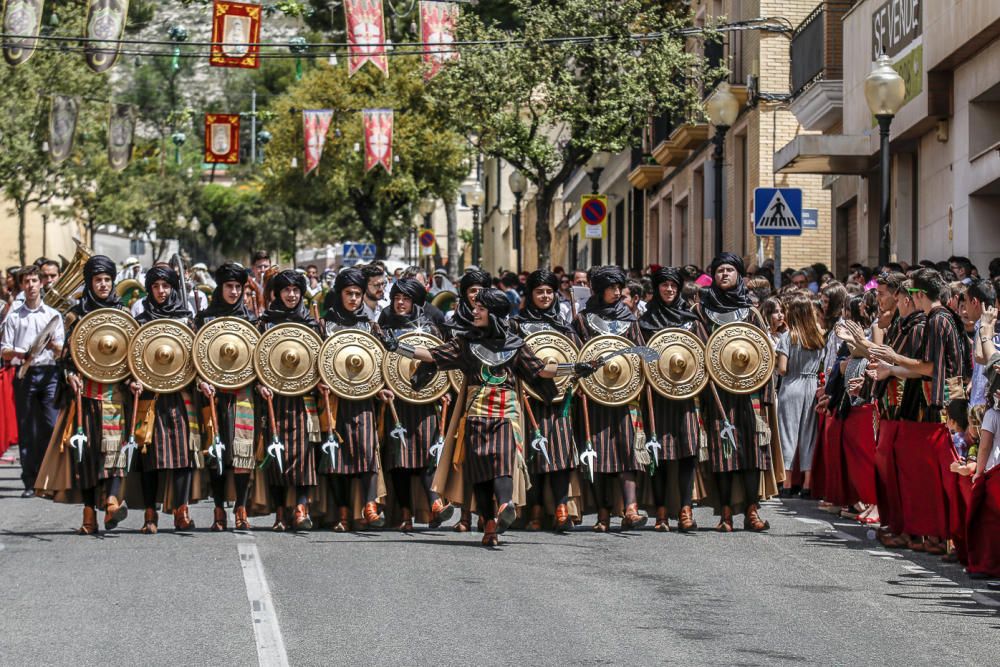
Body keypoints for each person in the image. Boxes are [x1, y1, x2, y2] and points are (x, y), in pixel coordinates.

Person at [384, 288, 594, 546]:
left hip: (506, 416)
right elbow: (433, 355)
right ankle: (490, 526)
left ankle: (505, 504)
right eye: (475, 308)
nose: (474, 312)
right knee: (480, 472)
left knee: (503, 464)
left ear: (493, 314)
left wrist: (574, 368)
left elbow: (541, 370)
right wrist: (399, 347)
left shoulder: (515, 345)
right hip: (475, 416)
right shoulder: (466, 343)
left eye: (480, 309)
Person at [692, 253, 776, 532]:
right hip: (716, 393)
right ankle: (725, 513)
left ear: (740, 275)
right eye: (719, 271)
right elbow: (696, 349)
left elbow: (764, 355)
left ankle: (752, 511)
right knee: (722, 453)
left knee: (753, 454)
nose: (724, 275)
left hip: (747, 393)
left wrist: (764, 396)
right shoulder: (701, 311)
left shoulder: (751, 313)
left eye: (729, 270)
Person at [51, 256, 131, 533]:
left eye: (107, 279)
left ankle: (111, 503)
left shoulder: (124, 313)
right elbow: (65, 357)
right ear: (89, 282)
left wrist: (135, 380)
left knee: (116, 453)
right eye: (98, 280)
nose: (103, 284)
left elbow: (133, 356)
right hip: (84, 396)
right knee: (86, 456)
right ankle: (88, 516)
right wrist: (69, 374)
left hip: (116, 395)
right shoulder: (76, 314)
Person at [574, 265, 650, 532]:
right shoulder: (583, 320)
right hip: (594, 398)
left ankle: (630, 509)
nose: (617, 292)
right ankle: (603, 514)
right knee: (598, 454)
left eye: (620, 288)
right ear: (599, 290)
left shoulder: (629, 320)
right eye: (611, 288)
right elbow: (576, 356)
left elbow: (643, 353)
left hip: (624, 397)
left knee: (627, 452)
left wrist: (651, 360)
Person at [127, 266, 202, 533]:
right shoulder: (141, 320)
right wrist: (132, 380)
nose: (161, 291)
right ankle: (150, 515)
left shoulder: (185, 318)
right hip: (150, 396)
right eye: (156, 286)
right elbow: (131, 357)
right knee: (150, 458)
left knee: (183, 456)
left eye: (166, 286)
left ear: (172, 288)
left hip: (181, 396)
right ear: (149, 288)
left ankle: (181, 511)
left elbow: (197, 356)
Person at [378, 277, 454, 530]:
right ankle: (404, 514)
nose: (400, 303)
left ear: (415, 301)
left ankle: (434, 505)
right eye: (397, 298)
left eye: (406, 298)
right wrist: (382, 389)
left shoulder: (430, 327)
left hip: (425, 401)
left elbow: (442, 361)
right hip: (395, 402)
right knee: (399, 461)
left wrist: (444, 390)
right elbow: (376, 362)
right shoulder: (384, 324)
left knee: (427, 456)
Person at [512, 269, 582, 532]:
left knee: (561, 452)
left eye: (549, 291)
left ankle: (561, 508)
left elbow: (577, 359)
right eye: (539, 291)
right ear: (530, 294)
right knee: (534, 454)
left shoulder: (565, 327)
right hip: (527, 398)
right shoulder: (516, 325)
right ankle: (536, 510)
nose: (544, 296)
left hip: (560, 399)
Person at [639, 267, 708, 532]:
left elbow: (704, 355)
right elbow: (640, 356)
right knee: (659, 453)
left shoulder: (691, 320)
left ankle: (686, 508)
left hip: (686, 394)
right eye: (664, 285)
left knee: (687, 452)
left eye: (673, 286)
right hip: (656, 396)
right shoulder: (645, 321)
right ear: (656, 288)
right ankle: (661, 512)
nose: (669, 290)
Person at [320, 268, 387, 531]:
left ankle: (370, 506)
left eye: (358, 294)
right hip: (335, 400)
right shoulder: (324, 325)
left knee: (367, 452)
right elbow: (316, 361)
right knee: (338, 459)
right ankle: (343, 514)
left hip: (364, 399)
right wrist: (320, 383)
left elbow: (382, 363)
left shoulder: (370, 326)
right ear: (340, 294)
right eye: (349, 293)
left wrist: (383, 387)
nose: (354, 298)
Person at [194, 263, 257, 532]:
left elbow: (260, 360)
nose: (233, 291)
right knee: (216, 454)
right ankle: (218, 509)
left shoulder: (253, 321)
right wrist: (201, 381)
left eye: (238, 287)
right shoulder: (204, 319)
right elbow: (193, 359)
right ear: (220, 288)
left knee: (242, 453)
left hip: (243, 394)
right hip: (212, 396)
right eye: (229, 286)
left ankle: (241, 508)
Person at [2, 265, 64, 497]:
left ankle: (50, 477)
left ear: (40, 284)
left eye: (34, 281)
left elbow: (61, 349)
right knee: (28, 428)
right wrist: (21, 352)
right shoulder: (14, 317)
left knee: (50, 425)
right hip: (25, 375)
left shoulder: (52, 315)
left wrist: (52, 346)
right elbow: (4, 351)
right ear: (21, 286)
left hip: (49, 374)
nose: (31, 286)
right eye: (26, 282)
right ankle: (30, 481)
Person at [776, 295, 826, 495]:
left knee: (788, 434)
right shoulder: (819, 336)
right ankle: (807, 483)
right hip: (811, 385)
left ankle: (787, 483)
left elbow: (782, 369)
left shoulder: (787, 337)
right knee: (809, 435)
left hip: (792, 385)